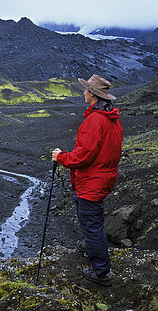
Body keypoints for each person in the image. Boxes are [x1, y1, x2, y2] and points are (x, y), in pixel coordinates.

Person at [52, 74, 123, 287]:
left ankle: (102, 272)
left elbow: (84, 156)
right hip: (102, 178)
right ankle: (92, 247)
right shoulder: (112, 119)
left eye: (86, 90)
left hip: (92, 181)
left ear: (93, 94)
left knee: (92, 224)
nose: (83, 92)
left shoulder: (95, 120)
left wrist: (61, 157)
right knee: (91, 221)